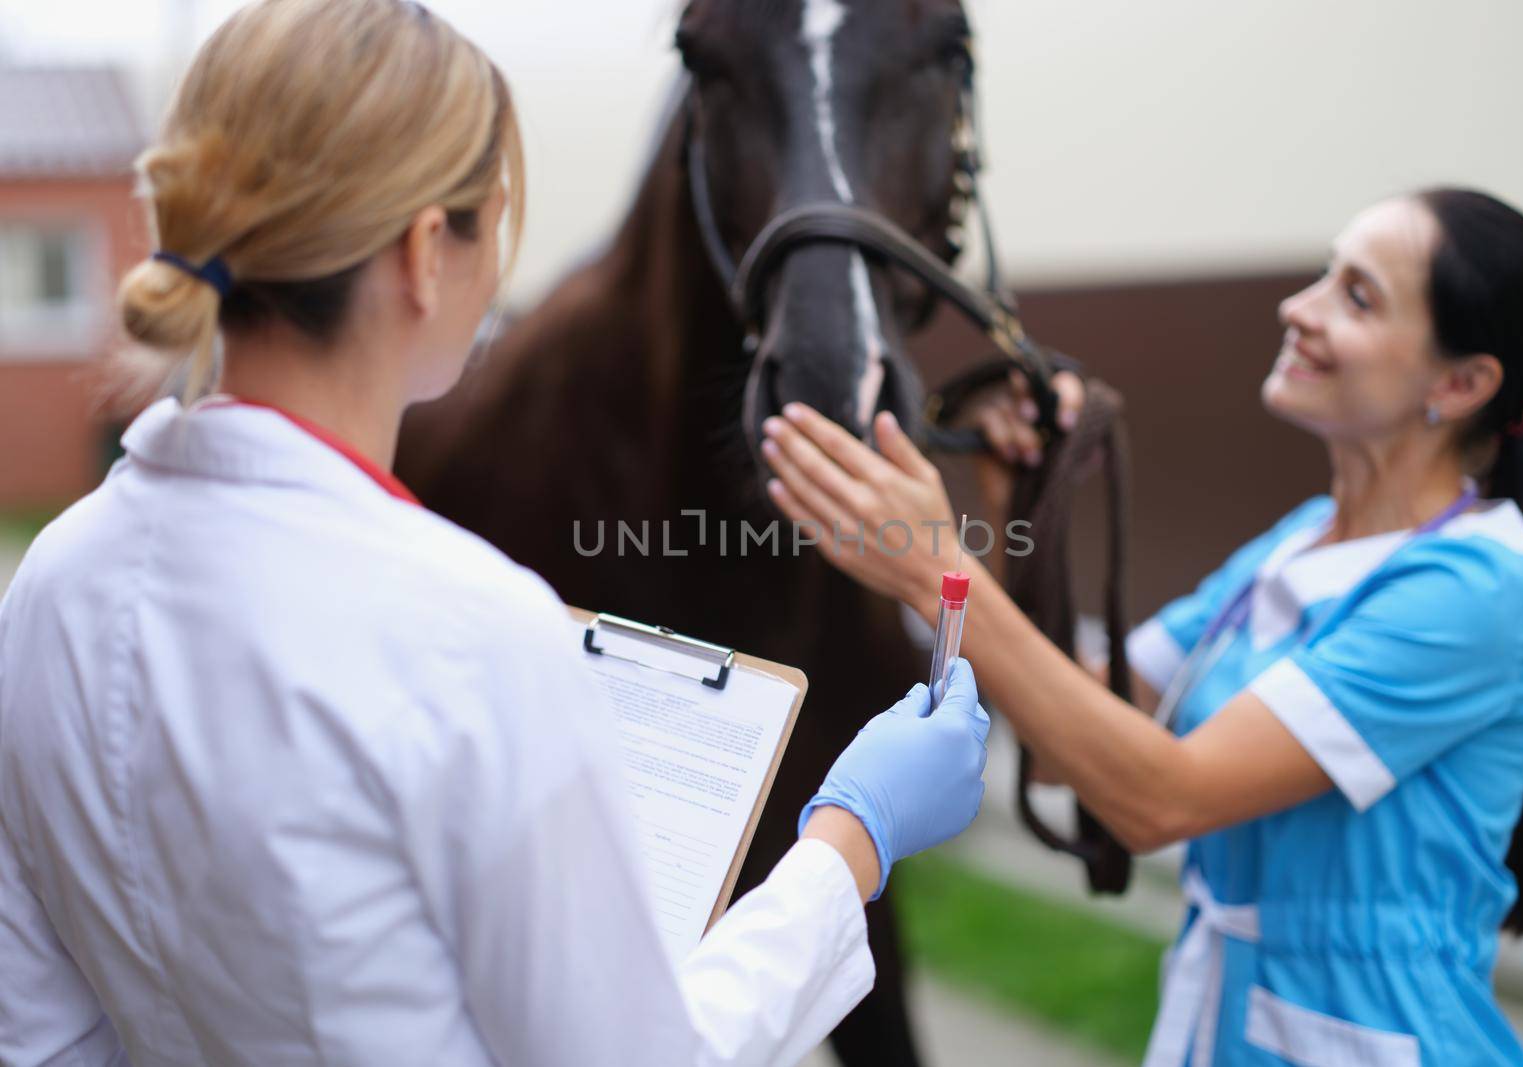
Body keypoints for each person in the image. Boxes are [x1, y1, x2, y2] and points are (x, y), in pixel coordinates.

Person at [0, 2, 991, 1065]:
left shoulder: (52, 582)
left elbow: (38, 1029)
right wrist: (855, 837)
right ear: (429, 253)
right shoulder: (477, 634)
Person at [760, 187, 1523, 1065]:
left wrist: (939, 573)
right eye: (1322, 276)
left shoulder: (1471, 590)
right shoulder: (1301, 541)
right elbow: (1090, 712)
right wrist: (1017, 504)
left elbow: (1162, 796)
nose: (1297, 309)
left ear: (1461, 383)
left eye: (1358, 296)